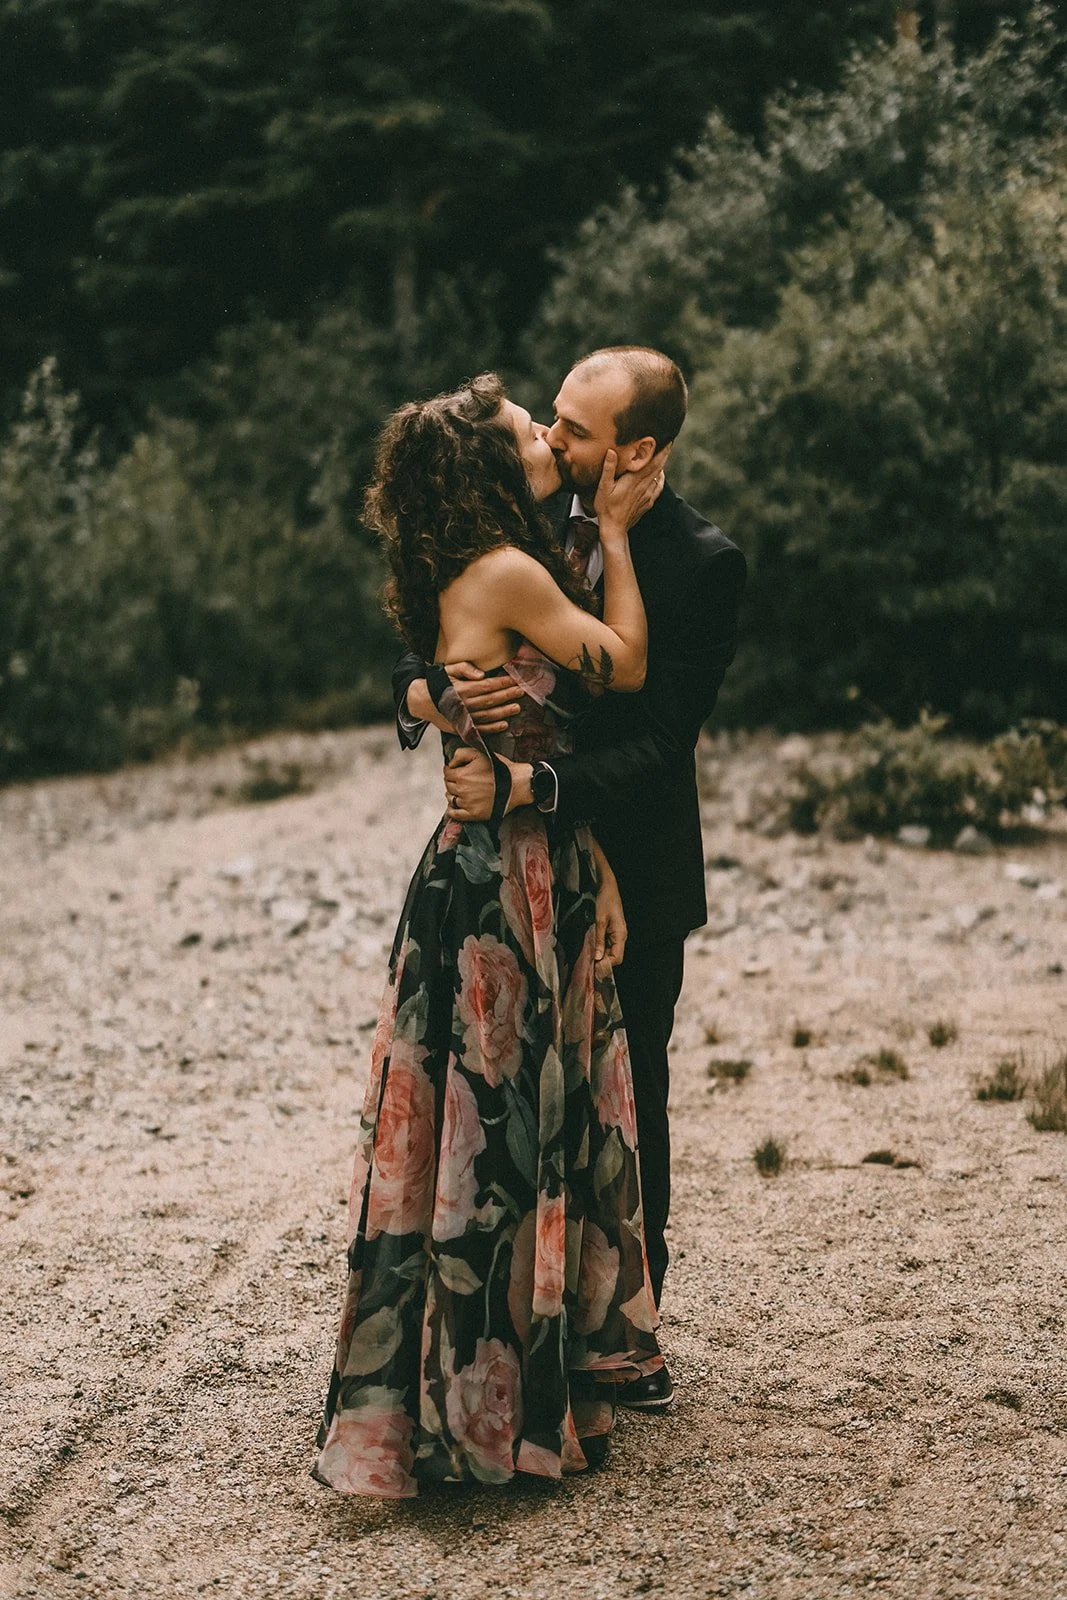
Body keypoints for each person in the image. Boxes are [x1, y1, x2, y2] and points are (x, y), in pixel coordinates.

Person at [312, 373, 669, 1498]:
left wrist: (431, 700)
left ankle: (501, 1390)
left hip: (513, 856)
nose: (544, 436)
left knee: (494, 1127)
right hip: (504, 874)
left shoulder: (464, 563)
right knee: (508, 1131)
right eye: (526, 431)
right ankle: (495, 1413)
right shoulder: (511, 568)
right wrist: (618, 537)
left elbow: (492, 701)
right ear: (489, 467)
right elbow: (624, 665)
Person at [394, 348, 747, 1414]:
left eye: (575, 430)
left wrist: (529, 786)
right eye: (548, 417)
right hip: (517, 864)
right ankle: (519, 1334)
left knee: (623, 1093)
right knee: (509, 1097)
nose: (552, 437)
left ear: (634, 451)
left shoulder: (702, 562)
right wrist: (433, 697)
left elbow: (660, 740)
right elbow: (422, 635)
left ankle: (622, 1329)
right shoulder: (517, 515)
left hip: (629, 857)